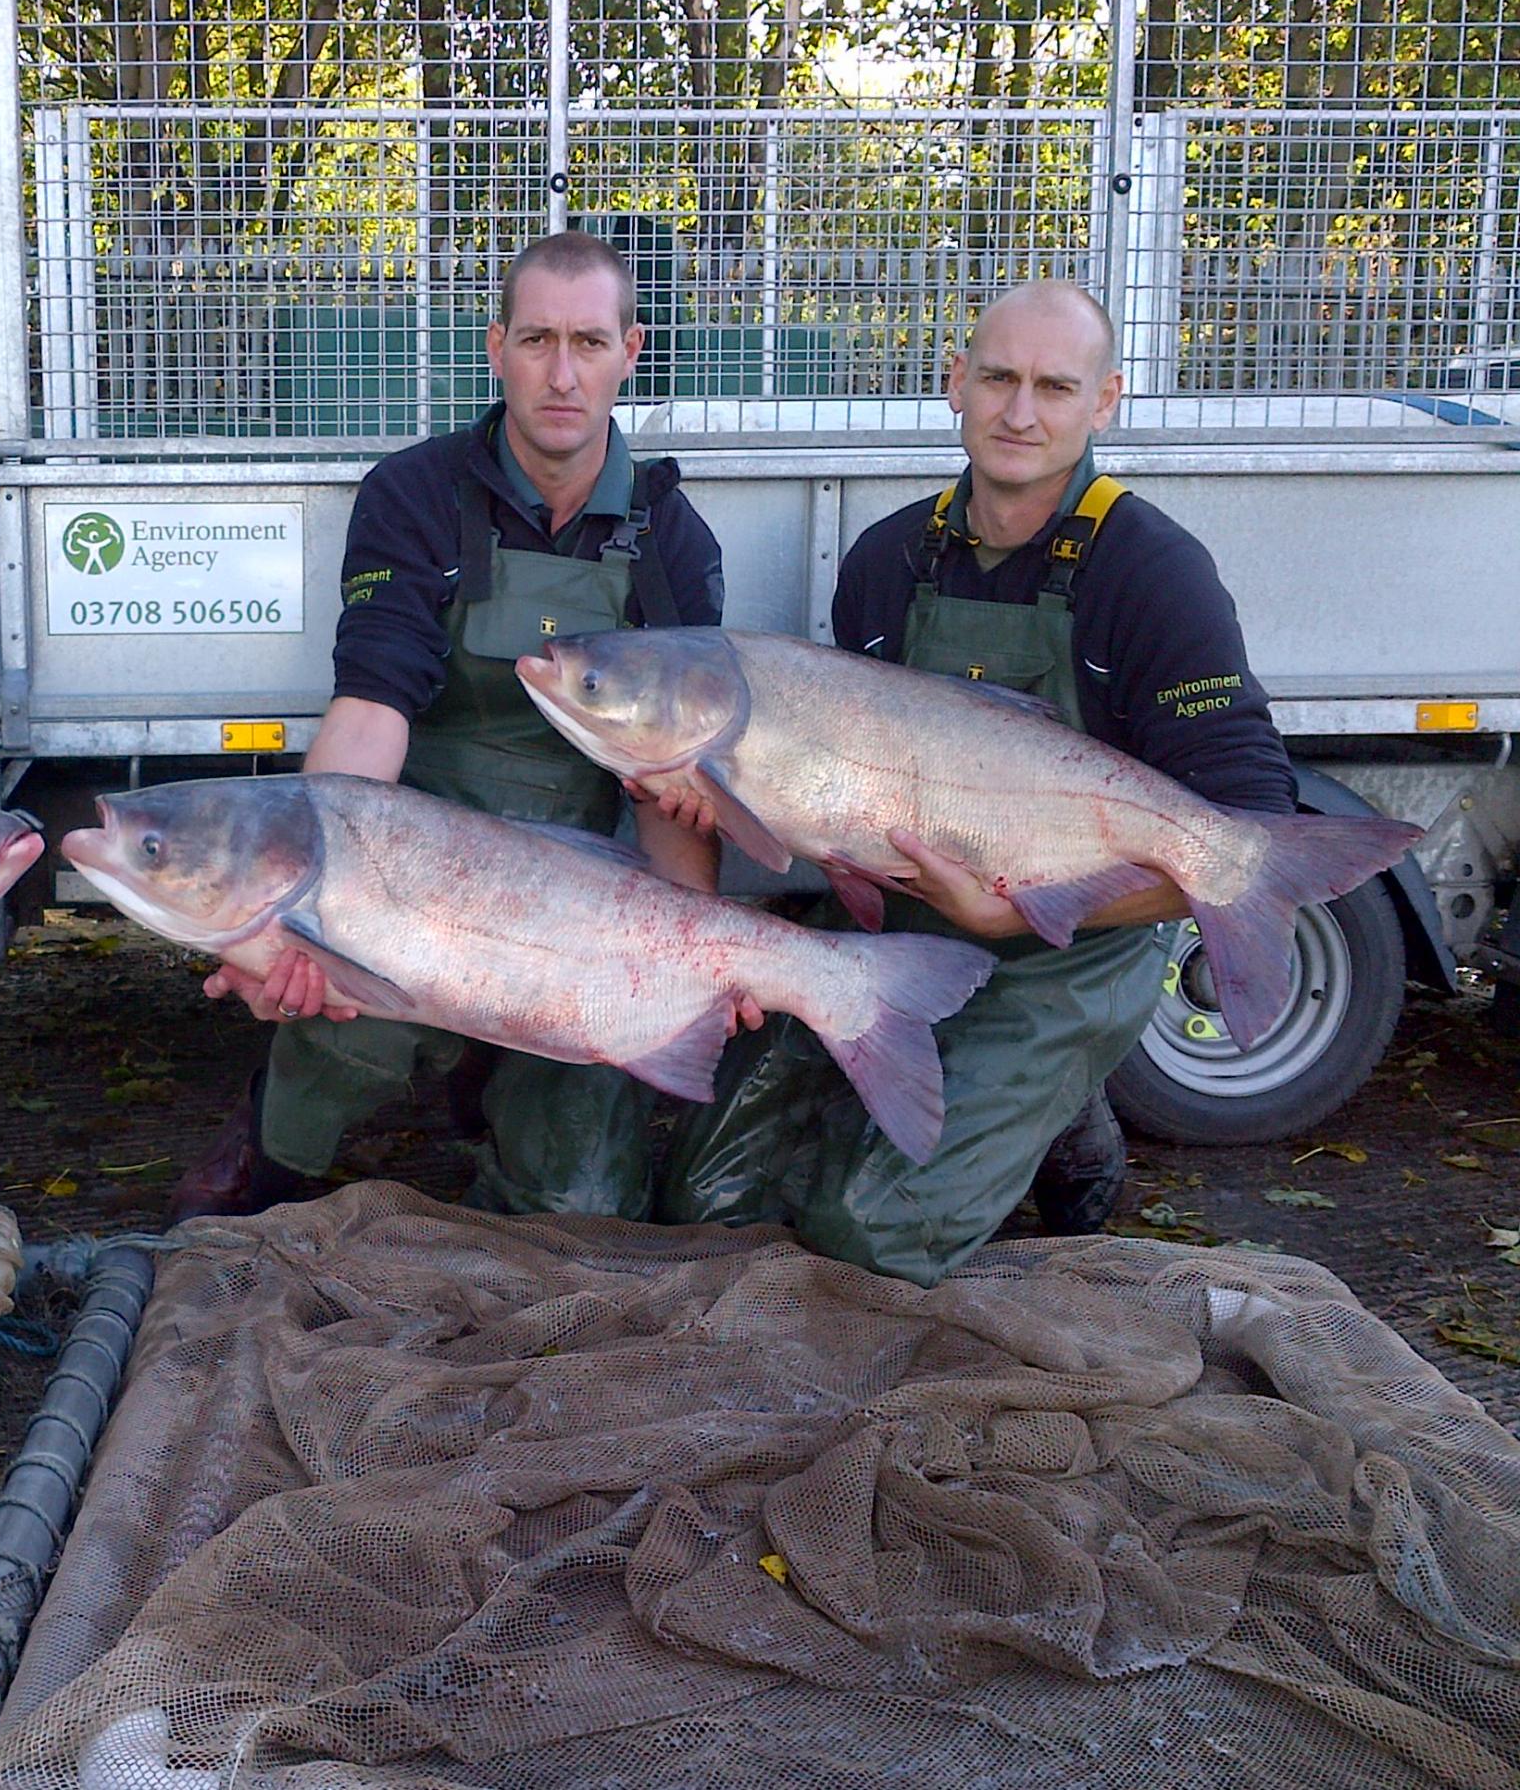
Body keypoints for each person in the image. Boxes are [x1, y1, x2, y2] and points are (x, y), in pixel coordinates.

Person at [657, 280, 1297, 1283]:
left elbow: (1248, 817)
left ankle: (1057, 1095)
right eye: (997, 377)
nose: (1020, 410)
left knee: (867, 1237)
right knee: (708, 1197)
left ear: (1105, 401)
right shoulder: (886, 560)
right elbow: (836, 781)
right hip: (904, 933)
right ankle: (1037, 1105)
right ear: (955, 382)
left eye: (1054, 385)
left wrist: (1012, 919)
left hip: (1074, 949)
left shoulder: (1155, 573)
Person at [172, 230, 743, 1223]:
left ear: (631, 352)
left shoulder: (673, 542)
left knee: (582, 1203)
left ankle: (503, 1097)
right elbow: (370, 706)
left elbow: (669, 791)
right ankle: (270, 1143)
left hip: (579, 879)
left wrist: (701, 944)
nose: (562, 374)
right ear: (496, 349)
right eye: (536, 341)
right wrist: (293, 913)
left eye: (589, 343)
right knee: (343, 1026)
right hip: (414, 855)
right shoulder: (414, 494)